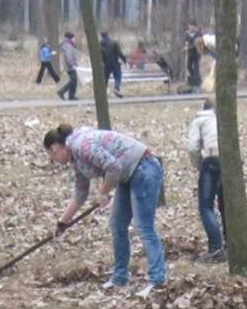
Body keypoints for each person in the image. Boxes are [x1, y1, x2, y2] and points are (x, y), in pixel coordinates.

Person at [44, 123, 166, 294]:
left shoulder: (82, 146)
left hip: (144, 168)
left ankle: (157, 280)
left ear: (56, 147)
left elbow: (113, 166)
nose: (53, 160)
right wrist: (62, 222)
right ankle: (119, 278)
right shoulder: (76, 159)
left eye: (51, 155)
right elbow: (80, 194)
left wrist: (103, 192)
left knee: (143, 227)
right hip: (126, 175)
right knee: (117, 225)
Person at [186, 99, 225, 262]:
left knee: (206, 206)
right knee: (226, 205)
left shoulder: (199, 120)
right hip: (228, 159)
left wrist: (198, 165)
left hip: (211, 159)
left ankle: (216, 248)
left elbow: (193, 147)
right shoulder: (223, 118)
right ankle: (231, 242)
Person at [99, 31, 126, 98]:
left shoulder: (100, 44)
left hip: (105, 64)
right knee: (117, 77)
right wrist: (124, 60)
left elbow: (99, 55)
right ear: (108, 34)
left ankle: (103, 92)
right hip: (115, 63)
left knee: (105, 78)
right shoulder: (114, 42)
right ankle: (116, 88)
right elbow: (119, 53)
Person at [58, 32, 81, 101]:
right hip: (70, 66)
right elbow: (69, 56)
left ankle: (71, 95)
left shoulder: (67, 44)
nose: (75, 39)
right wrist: (72, 65)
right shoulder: (68, 45)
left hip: (69, 66)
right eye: (74, 38)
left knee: (74, 80)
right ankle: (62, 91)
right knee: (73, 81)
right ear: (71, 38)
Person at [185, 21, 202, 91]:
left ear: (194, 26)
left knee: (196, 68)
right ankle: (193, 80)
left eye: (191, 26)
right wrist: (187, 37)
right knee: (189, 66)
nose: (189, 28)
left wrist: (188, 47)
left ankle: (197, 84)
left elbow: (196, 44)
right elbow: (187, 41)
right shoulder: (190, 34)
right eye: (189, 26)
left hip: (196, 53)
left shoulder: (198, 34)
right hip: (190, 53)